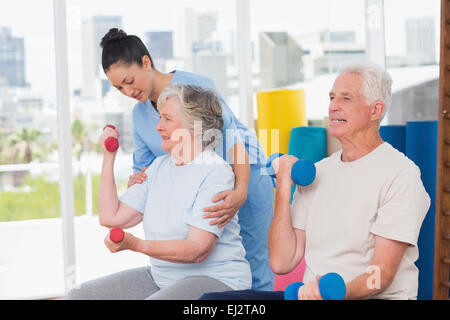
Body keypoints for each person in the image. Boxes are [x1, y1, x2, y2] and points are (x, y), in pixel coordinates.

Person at [200, 61, 431, 300]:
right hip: (314, 296)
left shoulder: (400, 174)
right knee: (213, 303)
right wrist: (283, 186)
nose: (333, 107)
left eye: (346, 99)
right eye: (332, 98)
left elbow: (380, 275)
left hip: (363, 297)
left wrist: (333, 294)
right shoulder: (318, 173)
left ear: (375, 110)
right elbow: (281, 262)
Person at [99, 28, 274, 291]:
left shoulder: (194, 87)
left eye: (129, 80)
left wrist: (240, 192)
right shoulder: (139, 115)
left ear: (146, 62)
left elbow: (233, 143)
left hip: (245, 173)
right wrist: (137, 181)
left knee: (254, 267)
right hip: (204, 184)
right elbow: (144, 170)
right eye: (118, 87)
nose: (127, 90)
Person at [64, 84, 252, 300]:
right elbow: (110, 217)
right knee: (78, 296)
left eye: (167, 119)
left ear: (195, 127)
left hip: (218, 280)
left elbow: (198, 249)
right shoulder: (158, 167)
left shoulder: (216, 173)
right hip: (162, 278)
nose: (158, 126)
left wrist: (137, 245)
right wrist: (109, 158)